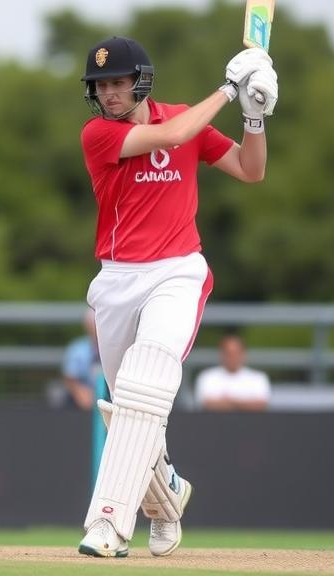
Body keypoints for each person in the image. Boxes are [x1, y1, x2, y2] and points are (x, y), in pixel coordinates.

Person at [75, 36, 278, 559]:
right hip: (118, 279)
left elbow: (250, 171)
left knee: (146, 383)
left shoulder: (185, 118)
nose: (111, 94)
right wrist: (230, 89)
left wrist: (254, 117)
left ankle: (107, 524)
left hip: (177, 271)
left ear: (141, 80)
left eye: (120, 82)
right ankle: (167, 494)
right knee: (130, 411)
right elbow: (173, 132)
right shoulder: (98, 134)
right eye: (102, 86)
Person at [195, 332, 271, 411]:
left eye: (236, 353)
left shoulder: (258, 378)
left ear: (243, 354)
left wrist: (228, 402)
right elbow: (205, 403)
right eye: (229, 353)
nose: (232, 357)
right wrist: (243, 402)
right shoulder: (207, 377)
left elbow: (261, 404)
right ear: (221, 354)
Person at [62, 308, 102, 410]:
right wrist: (80, 392)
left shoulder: (114, 348)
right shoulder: (77, 349)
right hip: (83, 399)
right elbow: (70, 378)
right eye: (93, 324)